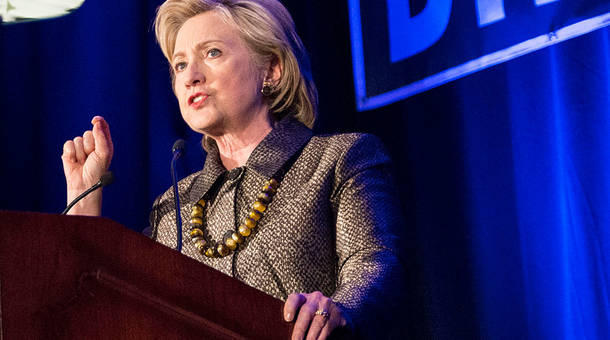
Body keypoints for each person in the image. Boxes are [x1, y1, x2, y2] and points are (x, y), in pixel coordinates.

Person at [61, 0, 405, 338]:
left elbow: (374, 265)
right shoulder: (173, 210)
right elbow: (110, 308)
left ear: (271, 69)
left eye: (212, 53)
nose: (190, 77)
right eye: (180, 65)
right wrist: (83, 198)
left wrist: (337, 308)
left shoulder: (337, 160)